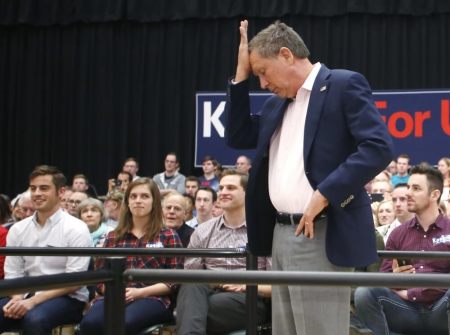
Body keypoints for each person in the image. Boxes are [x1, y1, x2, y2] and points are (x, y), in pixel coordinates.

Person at [225, 20, 394, 335]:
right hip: (279, 233)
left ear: (286, 55)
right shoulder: (277, 104)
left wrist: (327, 192)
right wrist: (241, 75)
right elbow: (236, 135)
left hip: (321, 230)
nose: (261, 83)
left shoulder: (344, 84)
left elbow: (379, 147)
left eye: (262, 72)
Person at [79, 178, 183, 335]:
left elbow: (174, 280)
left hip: (152, 298)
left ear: (154, 202)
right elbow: (100, 277)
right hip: (114, 296)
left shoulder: (168, 235)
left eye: (144, 196)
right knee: (89, 324)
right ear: (127, 202)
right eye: (133, 196)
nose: (138, 201)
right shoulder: (113, 236)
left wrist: (139, 293)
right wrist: (115, 291)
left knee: (123, 324)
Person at [355, 164, 450, 335]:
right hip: (405, 310)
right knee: (365, 293)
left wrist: (412, 293)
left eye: (416, 188)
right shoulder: (397, 234)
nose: (408, 193)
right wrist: (395, 279)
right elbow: (383, 280)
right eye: (408, 187)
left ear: (435, 194)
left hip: (442, 309)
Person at [0, 165, 92, 335]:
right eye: (33, 188)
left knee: (34, 319)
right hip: (23, 294)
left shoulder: (76, 228)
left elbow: (73, 282)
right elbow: (13, 274)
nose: (37, 193)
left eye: (44, 188)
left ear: (61, 192)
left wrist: (32, 302)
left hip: (67, 298)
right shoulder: (18, 229)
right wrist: (18, 299)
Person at [176, 170, 271, 334]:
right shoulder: (203, 231)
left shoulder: (264, 231)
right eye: (221, 188)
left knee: (188, 311)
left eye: (231, 188)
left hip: (250, 297)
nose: (223, 192)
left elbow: (276, 285)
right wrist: (216, 282)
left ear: (247, 193)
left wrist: (245, 285)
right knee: (192, 287)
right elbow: (191, 275)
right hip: (208, 291)